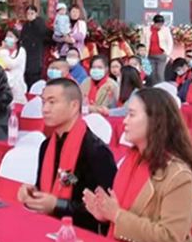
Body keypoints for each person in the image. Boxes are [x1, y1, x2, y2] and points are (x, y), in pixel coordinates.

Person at [84, 88, 192, 242]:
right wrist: (105, 215)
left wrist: (117, 215)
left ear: (155, 122)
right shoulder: (131, 161)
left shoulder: (178, 175)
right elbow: (125, 217)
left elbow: (171, 238)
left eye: (132, 115)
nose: (124, 121)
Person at [17, 78, 117, 233]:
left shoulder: (96, 152)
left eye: (52, 102)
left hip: (83, 235)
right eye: (43, 102)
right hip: (47, 228)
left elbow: (102, 211)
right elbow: (58, 182)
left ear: (74, 106)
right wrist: (32, 193)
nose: (45, 109)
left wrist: (57, 205)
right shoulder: (46, 146)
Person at [0, 27, 27, 104]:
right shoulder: (2, 50)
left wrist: (2, 51)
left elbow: (11, 64)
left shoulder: (21, 51)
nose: (8, 38)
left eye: (11, 36)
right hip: (3, 84)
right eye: (7, 36)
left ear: (16, 39)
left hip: (16, 84)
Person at [21, 5, 50, 89]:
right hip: (26, 53)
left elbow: (46, 35)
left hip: (36, 53)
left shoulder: (40, 24)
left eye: (32, 13)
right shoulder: (26, 26)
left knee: (35, 76)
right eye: (28, 13)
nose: (30, 16)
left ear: (36, 14)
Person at [142, 14, 173, 85]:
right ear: (154, 23)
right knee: (151, 74)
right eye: (158, 24)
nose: (160, 26)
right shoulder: (146, 30)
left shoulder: (165, 30)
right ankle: (153, 88)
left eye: (161, 24)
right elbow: (143, 42)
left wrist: (167, 53)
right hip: (149, 55)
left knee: (160, 74)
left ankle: (161, 88)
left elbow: (170, 42)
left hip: (161, 55)